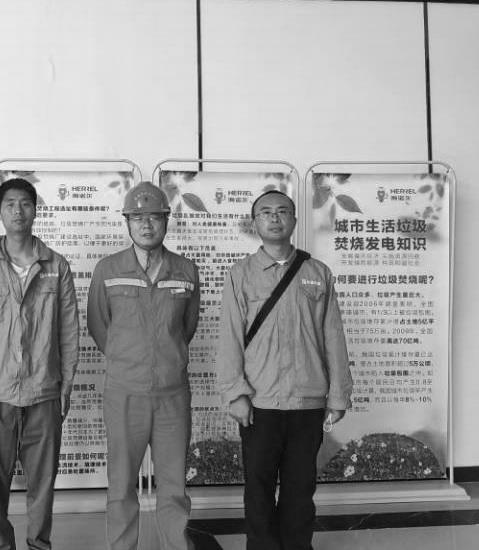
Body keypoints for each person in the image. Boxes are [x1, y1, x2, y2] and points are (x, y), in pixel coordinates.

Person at [217, 190, 353, 550]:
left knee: (300, 488)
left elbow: (333, 337)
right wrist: (235, 393)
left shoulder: (317, 273)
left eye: (282, 211)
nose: (274, 218)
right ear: (255, 223)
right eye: (266, 212)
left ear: (294, 220)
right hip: (259, 402)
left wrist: (338, 396)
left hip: (308, 402)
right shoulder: (241, 274)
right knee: (258, 487)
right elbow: (229, 337)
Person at [0, 177, 79, 550]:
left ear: (35, 210)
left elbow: (68, 332)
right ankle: (0, 545)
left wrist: (65, 386)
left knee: (42, 480)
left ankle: (38, 544)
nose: (18, 210)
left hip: (43, 390)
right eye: (10, 204)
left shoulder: (56, 265)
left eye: (26, 203)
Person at [87, 181, 200, 550]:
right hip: (124, 394)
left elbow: (186, 328)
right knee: (121, 485)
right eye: (138, 218)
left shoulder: (186, 270)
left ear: (167, 220)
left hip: (173, 395)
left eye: (154, 217)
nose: (146, 225)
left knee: (174, 486)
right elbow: (98, 325)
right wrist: (128, 358)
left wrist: (165, 358)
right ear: (127, 223)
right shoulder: (108, 269)